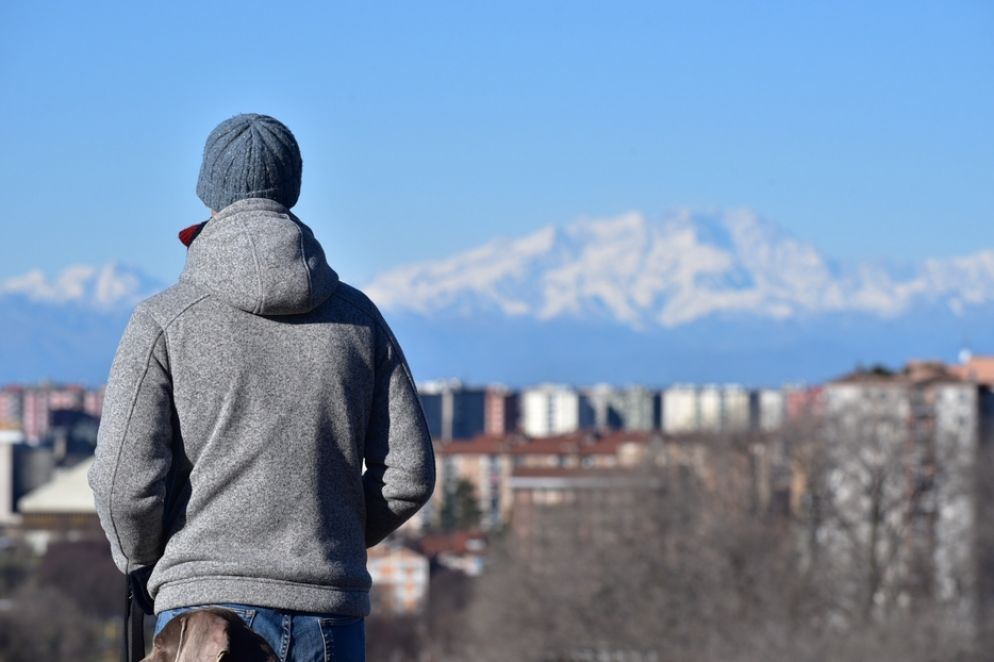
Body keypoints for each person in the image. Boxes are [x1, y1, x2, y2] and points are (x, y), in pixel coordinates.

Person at [88, 113, 436, 662]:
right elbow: (410, 475)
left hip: (203, 624)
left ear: (207, 193)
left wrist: (142, 561)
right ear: (293, 188)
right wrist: (327, 538)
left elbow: (122, 487)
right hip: (331, 615)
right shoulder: (359, 319)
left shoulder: (164, 321)